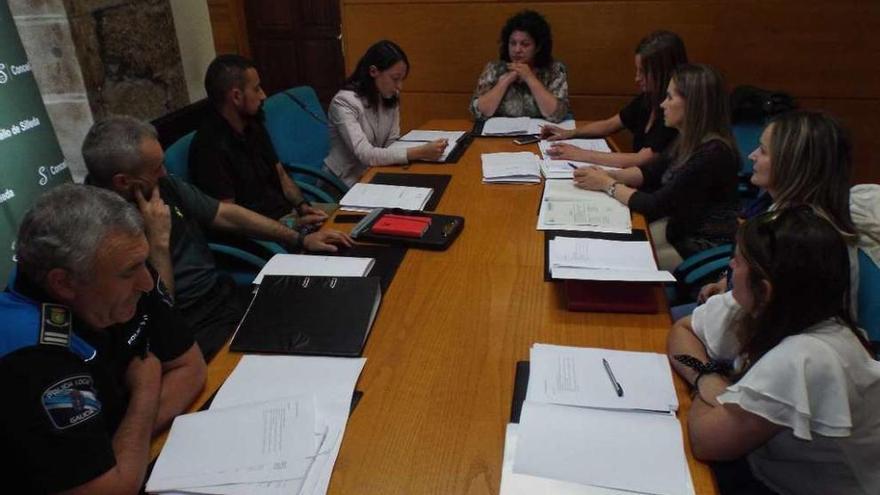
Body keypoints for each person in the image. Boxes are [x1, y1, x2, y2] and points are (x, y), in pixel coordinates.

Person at [82, 116, 353, 360]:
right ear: (123, 182)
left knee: (323, 314)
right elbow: (160, 318)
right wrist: (158, 243)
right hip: (189, 323)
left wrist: (299, 239)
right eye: (155, 168)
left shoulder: (164, 186)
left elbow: (226, 215)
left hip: (221, 296)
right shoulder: (102, 229)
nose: (165, 173)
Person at [0, 184, 206, 494]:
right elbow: (111, 488)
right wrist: (146, 393)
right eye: (130, 272)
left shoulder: (124, 263)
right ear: (64, 283)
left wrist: (122, 442)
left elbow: (191, 368)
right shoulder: (30, 355)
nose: (148, 283)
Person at [667, 207, 880, 495]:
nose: (730, 266)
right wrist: (707, 378)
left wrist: (708, 384)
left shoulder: (808, 357)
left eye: (739, 261)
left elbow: (705, 440)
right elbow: (683, 330)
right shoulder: (772, 305)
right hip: (765, 469)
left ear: (764, 288)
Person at [572, 64, 739, 269]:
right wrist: (605, 175)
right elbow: (649, 173)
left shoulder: (713, 154)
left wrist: (608, 185)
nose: (662, 104)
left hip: (699, 248)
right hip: (676, 230)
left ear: (692, 104)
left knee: (610, 261)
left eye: (669, 97)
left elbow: (654, 205)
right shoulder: (687, 139)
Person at [696, 110, 858, 304]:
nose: (751, 155)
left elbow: (763, 317)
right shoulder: (775, 209)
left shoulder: (802, 239)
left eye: (763, 151)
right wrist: (728, 280)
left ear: (793, 164)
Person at [190, 54, 332, 225]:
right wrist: (292, 228)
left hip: (287, 217)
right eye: (256, 89)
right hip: (262, 237)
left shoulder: (253, 122)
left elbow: (280, 174)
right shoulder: (209, 147)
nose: (263, 95)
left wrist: (302, 206)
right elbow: (231, 220)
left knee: (352, 223)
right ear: (236, 96)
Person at [542, 30, 687, 168]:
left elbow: (641, 160)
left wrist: (579, 154)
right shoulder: (648, 98)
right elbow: (610, 124)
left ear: (663, 72)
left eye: (643, 72)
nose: (637, 78)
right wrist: (569, 133)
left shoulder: (673, 111)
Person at [324, 40, 446, 186]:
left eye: (402, 80)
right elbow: (366, 155)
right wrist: (419, 152)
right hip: (342, 181)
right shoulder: (344, 102)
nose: (399, 87)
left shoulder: (389, 96)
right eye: (395, 79)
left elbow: (392, 141)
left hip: (374, 172)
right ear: (373, 71)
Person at [470, 10, 569, 122]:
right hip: (499, 135)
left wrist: (529, 78)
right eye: (512, 43)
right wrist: (506, 80)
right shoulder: (494, 68)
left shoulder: (554, 70)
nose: (517, 50)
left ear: (538, 47)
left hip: (541, 135)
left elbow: (556, 114)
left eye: (525, 44)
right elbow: (480, 112)